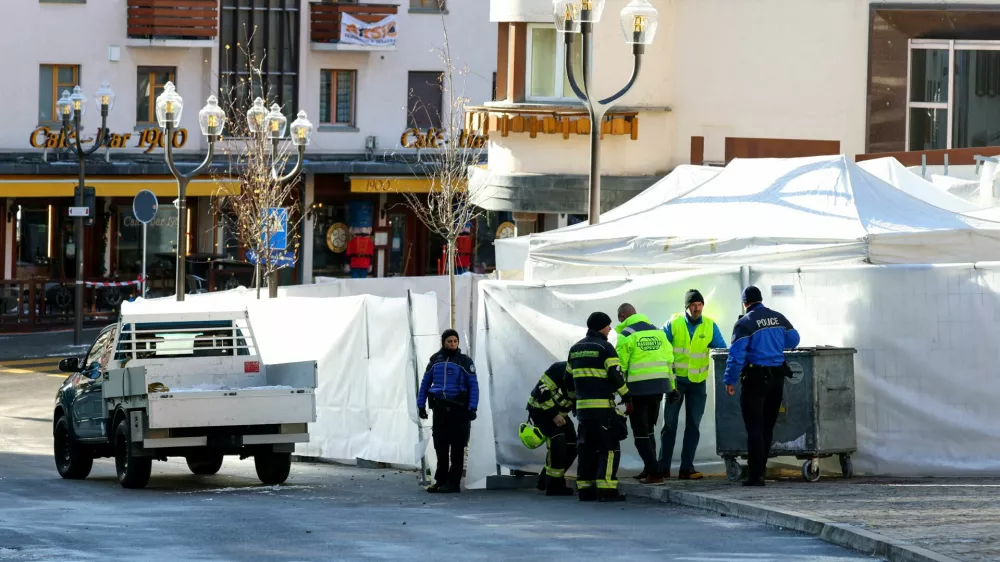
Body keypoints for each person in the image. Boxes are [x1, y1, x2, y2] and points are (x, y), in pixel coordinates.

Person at [724, 286, 800, 487]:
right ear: (761, 299)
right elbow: (794, 340)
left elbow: (736, 355)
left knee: (754, 428)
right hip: (777, 378)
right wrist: (774, 345)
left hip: (755, 379)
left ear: (745, 303)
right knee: (767, 427)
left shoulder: (745, 323)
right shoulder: (779, 318)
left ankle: (756, 475)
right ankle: (761, 469)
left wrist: (730, 380)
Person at [658, 289, 728, 480]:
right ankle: (663, 467)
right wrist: (667, 380)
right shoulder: (673, 324)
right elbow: (662, 350)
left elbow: (722, 349)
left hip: (697, 383)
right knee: (669, 425)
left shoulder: (709, 325)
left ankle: (686, 468)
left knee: (693, 426)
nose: (697, 309)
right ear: (686, 307)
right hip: (675, 383)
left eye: (700, 305)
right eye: (693, 305)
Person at [566, 312, 631, 502]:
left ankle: (586, 490)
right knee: (609, 448)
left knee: (586, 449)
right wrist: (627, 396)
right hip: (603, 409)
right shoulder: (605, 347)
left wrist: (573, 403)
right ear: (601, 327)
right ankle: (607, 490)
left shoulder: (575, 349)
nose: (610, 329)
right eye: (608, 326)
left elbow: (568, 380)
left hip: (584, 412)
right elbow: (616, 375)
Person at [614, 303, 679, 485]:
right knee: (649, 430)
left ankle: (656, 473)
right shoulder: (659, 332)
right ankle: (649, 468)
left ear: (623, 315)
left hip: (638, 389)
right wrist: (672, 387)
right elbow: (669, 362)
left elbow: (621, 366)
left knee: (640, 433)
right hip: (659, 388)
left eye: (620, 318)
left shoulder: (626, 335)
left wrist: (621, 392)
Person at [417, 329, 479, 493]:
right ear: (443, 342)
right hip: (440, 409)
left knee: (457, 448)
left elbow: (473, 386)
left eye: (455, 341)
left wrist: (472, 407)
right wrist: (421, 405)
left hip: (459, 410)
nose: (452, 344)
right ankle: (440, 480)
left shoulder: (464, 361)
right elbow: (425, 384)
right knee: (441, 446)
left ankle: (453, 483)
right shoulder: (435, 360)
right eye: (449, 341)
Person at [525, 361, 577, 496]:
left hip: (561, 414)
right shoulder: (559, 369)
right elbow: (541, 391)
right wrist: (553, 414)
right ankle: (554, 486)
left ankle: (545, 480)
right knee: (558, 440)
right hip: (540, 409)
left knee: (573, 444)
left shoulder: (586, 374)